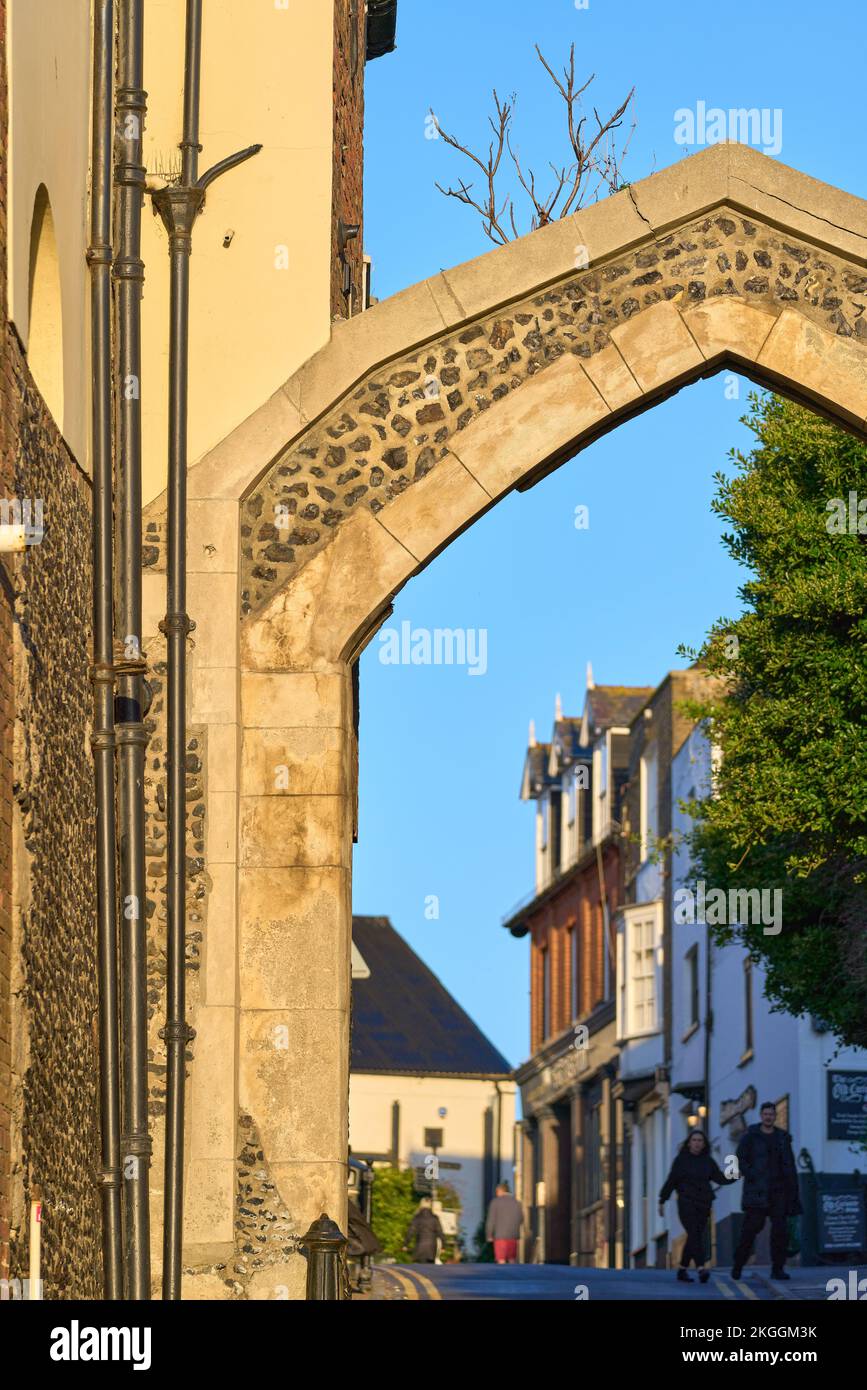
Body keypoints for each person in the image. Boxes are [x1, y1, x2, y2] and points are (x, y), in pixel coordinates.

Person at [731, 1101, 802, 1281]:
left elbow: (790, 1165)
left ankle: (777, 1269)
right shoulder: (750, 1136)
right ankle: (738, 1264)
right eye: (765, 1114)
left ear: (775, 1116)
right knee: (750, 1230)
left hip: (779, 1191)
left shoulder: (783, 1137)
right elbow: (739, 1158)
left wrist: (794, 1194)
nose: (768, 1117)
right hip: (757, 1191)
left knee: (780, 1231)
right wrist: (751, 1174)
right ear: (761, 1116)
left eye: (771, 1114)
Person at [659, 1129, 736, 1284]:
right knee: (694, 1233)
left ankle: (682, 1269)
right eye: (694, 1140)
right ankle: (701, 1268)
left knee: (695, 1236)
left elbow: (719, 1178)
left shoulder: (707, 1161)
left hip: (704, 1203)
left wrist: (735, 1174)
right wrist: (662, 1200)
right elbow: (671, 1181)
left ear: (704, 1144)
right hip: (686, 1203)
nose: (697, 1143)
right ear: (689, 1143)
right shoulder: (681, 1160)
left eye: (700, 1140)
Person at [485, 1181, 524, 1265]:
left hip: (500, 1236)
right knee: (512, 1259)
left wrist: (489, 1235)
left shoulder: (495, 1202)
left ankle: (502, 1277)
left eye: (497, 1192)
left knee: (501, 1259)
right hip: (513, 1236)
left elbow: (491, 1220)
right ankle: (513, 1276)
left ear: (500, 1191)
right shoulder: (517, 1202)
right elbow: (521, 1219)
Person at [403, 1197, 444, 1264]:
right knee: (429, 1268)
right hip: (432, 1248)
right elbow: (440, 1232)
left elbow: (411, 1231)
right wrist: (443, 1246)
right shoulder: (435, 1218)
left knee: (420, 1268)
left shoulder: (417, 1217)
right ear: (430, 1206)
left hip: (420, 1246)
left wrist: (405, 1244)